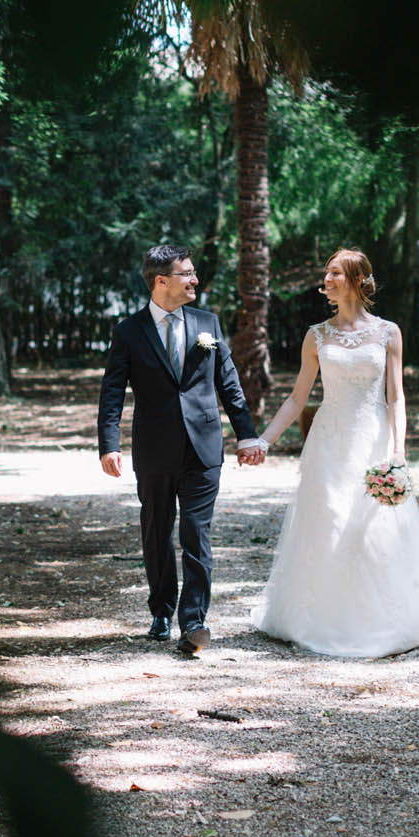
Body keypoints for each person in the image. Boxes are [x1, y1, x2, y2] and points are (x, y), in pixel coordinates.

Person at [249, 248, 419, 657]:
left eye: (335, 273)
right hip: (329, 443)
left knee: (374, 528)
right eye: (327, 273)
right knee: (330, 520)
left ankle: (383, 618)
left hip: (373, 440)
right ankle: (324, 617)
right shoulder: (316, 336)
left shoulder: (388, 332)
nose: (327, 279)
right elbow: (297, 399)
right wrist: (264, 440)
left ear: (357, 279)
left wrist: (398, 453)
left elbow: (396, 398)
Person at [97, 244, 266, 656]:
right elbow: (113, 391)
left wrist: (246, 435)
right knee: (156, 532)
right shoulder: (129, 331)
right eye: (186, 273)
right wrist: (109, 444)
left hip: (203, 449)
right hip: (154, 450)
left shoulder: (207, 324)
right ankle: (160, 611)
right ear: (161, 281)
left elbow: (228, 383)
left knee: (196, 532)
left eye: (193, 272)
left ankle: (194, 620)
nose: (194, 280)